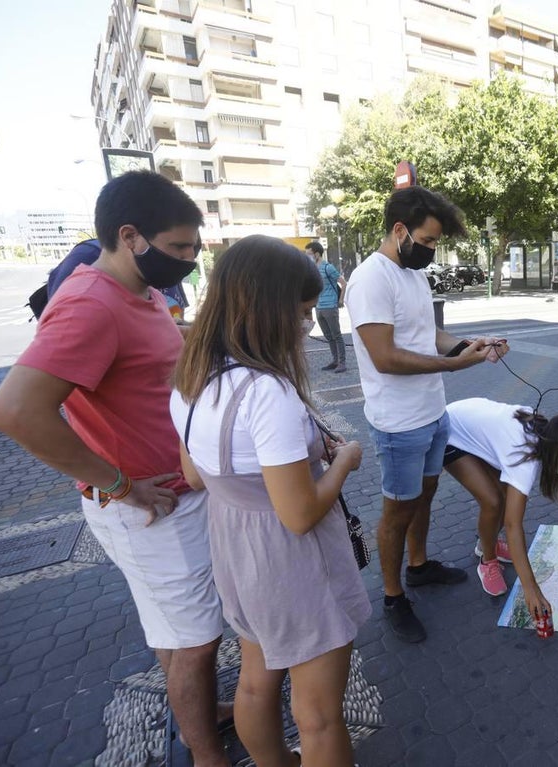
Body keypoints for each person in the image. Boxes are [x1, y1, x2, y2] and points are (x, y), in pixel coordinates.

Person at [0, 171, 228, 767]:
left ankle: (200, 714)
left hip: (170, 499)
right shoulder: (90, 302)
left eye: (195, 249)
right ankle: (206, 754)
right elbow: (13, 411)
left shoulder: (140, 292)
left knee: (181, 633)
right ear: (131, 236)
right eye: (178, 249)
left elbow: (144, 354)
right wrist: (119, 484)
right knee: (196, 641)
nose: (189, 262)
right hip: (151, 509)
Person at [171, 235, 370, 767]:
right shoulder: (267, 392)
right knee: (320, 714)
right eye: (303, 312)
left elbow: (193, 476)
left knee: (257, 685)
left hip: (234, 548)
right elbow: (300, 513)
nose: (307, 324)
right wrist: (345, 460)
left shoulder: (191, 379)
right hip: (291, 560)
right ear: (269, 309)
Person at [345, 186, 509, 644]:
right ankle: (394, 596)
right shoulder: (370, 279)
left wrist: (469, 346)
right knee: (397, 511)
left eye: (437, 243)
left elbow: (427, 334)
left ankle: (417, 567)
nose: (432, 251)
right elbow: (385, 357)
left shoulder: (412, 276)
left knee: (426, 496)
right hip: (398, 423)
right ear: (400, 231)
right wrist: (456, 364)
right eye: (429, 240)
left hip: (433, 413)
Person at [443, 398, 558, 613]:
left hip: (475, 432)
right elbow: (513, 525)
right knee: (493, 502)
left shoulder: (542, 432)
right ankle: (488, 560)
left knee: (505, 498)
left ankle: (488, 543)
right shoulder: (524, 457)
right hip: (451, 433)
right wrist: (530, 589)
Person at [37, 237, 194, 325]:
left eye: (194, 248)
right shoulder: (88, 259)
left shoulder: (157, 291)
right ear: (130, 236)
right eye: (179, 246)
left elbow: (161, 328)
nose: (189, 257)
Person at [306, 240, 348, 373]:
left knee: (336, 335)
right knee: (328, 336)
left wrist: (340, 300)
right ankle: (335, 360)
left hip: (330, 305)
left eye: (309, 254)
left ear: (317, 254)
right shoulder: (311, 269)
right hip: (318, 306)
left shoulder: (327, 267)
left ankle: (342, 362)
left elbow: (343, 283)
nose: (308, 257)